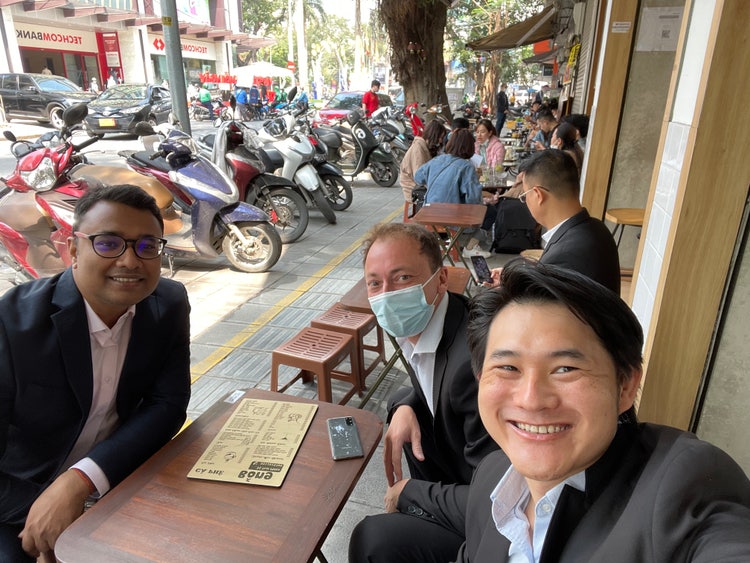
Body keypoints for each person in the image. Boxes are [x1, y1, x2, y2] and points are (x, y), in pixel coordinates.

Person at [452, 260, 750, 561]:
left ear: (625, 387)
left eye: (565, 368)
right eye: (507, 367)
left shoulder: (683, 484)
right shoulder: (491, 477)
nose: (531, 400)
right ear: (480, 379)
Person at [0, 184, 191, 562]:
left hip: (114, 475)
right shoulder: (13, 323)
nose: (130, 261)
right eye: (108, 244)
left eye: (147, 246)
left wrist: (81, 482)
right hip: (18, 495)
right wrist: (51, 508)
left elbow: (167, 404)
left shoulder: (167, 303)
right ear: (72, 249)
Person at [349, 223, 498, 562]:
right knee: (399, 402)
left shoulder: (474, 367)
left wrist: (411, 493)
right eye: (375, 283)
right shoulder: (439, 317)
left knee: (372, 538)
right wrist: (404, 405)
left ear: (441, 278)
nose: (387, 294)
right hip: (463, 478)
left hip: (495, 525)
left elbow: (498, 499)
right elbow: (427, 380)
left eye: (402, 278)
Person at [488, 149, 621, 293]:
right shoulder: (596, 227)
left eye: (524, 196)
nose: (525, 202)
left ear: (538, 195)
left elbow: (540, 308)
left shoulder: (564, 256)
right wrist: (515, 279)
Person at [414, 128, 482, 206]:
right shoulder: (467, 167)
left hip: (428, 209)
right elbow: (474, 198)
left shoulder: (437, 159)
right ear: (470, 147)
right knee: (491, 212)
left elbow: (418, 178)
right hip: (453, 213)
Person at [399, 119, 447, 204]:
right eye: (439, 137)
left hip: (420, 186)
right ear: (433, 135)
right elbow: (419, 177)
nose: (440, 141)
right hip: (413, 189)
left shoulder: (425, 147)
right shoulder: (418, 149)